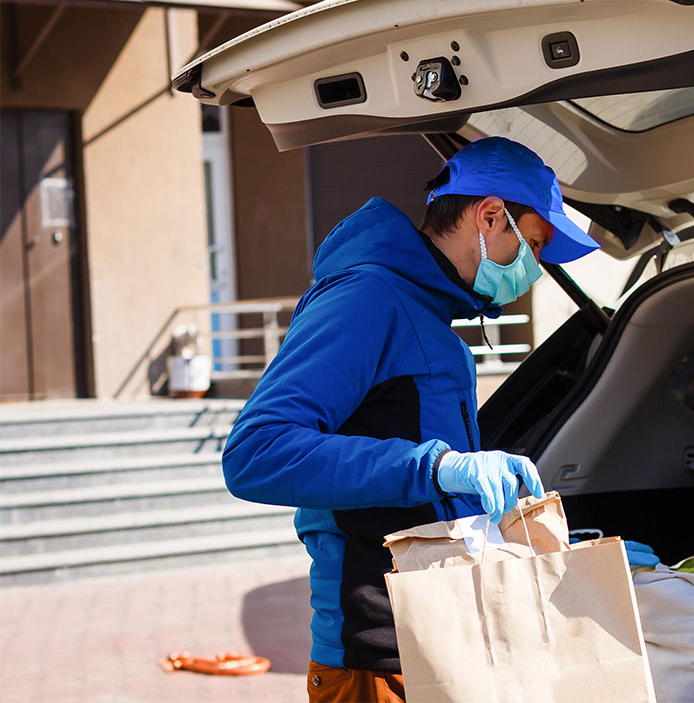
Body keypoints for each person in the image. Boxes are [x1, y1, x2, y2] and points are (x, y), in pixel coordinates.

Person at [222, 136, 604, 702]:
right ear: (491, 215)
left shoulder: (426, 311)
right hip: (375, 652)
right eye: (537, 245)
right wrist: (438, 467)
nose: (537, 268)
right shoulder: (368, 298)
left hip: (437, 636)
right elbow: (256, 452)